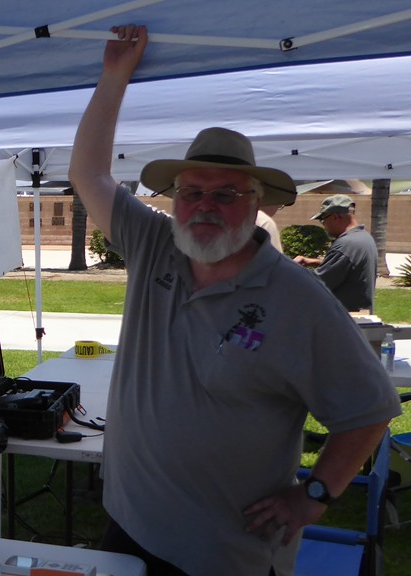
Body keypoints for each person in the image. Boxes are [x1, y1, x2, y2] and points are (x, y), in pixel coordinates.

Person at [68, 25, 400, 575]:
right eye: (192, 192)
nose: (205, 206)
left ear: (255, 204)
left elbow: (369, 411)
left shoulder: (298, 298)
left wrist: (314, 494)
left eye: (226, 194)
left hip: (222, 552)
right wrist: (113, 77)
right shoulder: (156, 245)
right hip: (129, 522)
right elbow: (89, 173)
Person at [293, 194, 377, 312]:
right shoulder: (364, 238)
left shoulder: (346, 244)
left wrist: (291, 271)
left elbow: (317, 284)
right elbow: (349, 267)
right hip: (358, 316)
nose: (324, 226)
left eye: (323, 219)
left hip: (343, 320)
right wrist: (316, 262)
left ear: (336, 217)